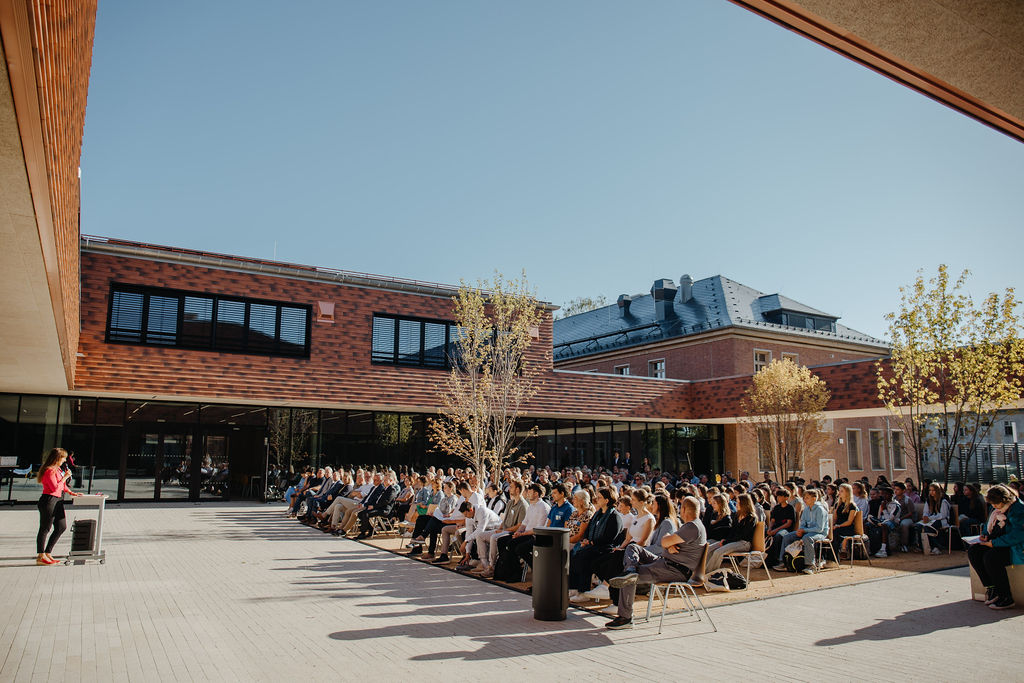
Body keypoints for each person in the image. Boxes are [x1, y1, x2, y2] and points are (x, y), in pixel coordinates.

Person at [604, 495, 707, 630]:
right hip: (665, 562)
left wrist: (668, 542)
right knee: (632, 547)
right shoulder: (692, 525)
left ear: (684, 509)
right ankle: (631, 570)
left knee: (627, 578)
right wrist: (669, 544)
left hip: (674, 569)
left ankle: (625, 617)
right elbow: (666, 542)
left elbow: (664, 541)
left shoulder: (692, 527)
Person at [967, 485, 1024, 610]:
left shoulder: (1019, 509)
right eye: (992, 504)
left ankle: (1006, 597)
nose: (994, 506)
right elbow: (988, 525)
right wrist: (985, 536)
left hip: (1015, 546)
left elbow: (1018, 535)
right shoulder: (995, 508)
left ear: (1005, 500)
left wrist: (994, 543)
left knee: (991, 557)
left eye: (996, 504)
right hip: (997, 541)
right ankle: (992, 587)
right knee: (974, 551)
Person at [36, 448, 83, 565]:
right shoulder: (49, 471)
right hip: (49, 500)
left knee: (61, 526)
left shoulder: (57, 470)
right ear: (57, 458)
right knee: (45, 528)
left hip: (58, 500)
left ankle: (48, 552)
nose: (65, 460)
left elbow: (62, 486)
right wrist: (65, 477)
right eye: (63, 458)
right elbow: (54, 487)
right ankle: (41, 555)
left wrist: (72, 492)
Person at [773, 488, 830, 574]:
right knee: (787, 537)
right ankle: (783, 562)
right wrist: (800, 530)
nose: (804, 500)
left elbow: (819, 528)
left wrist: (804, 530)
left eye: (807, 498)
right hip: (806, 532)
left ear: (814, 498)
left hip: (820, 533)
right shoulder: (806, 509)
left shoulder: (820, 510)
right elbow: (803, 523)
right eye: (804, 498)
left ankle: (811, 565)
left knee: (807, 538)